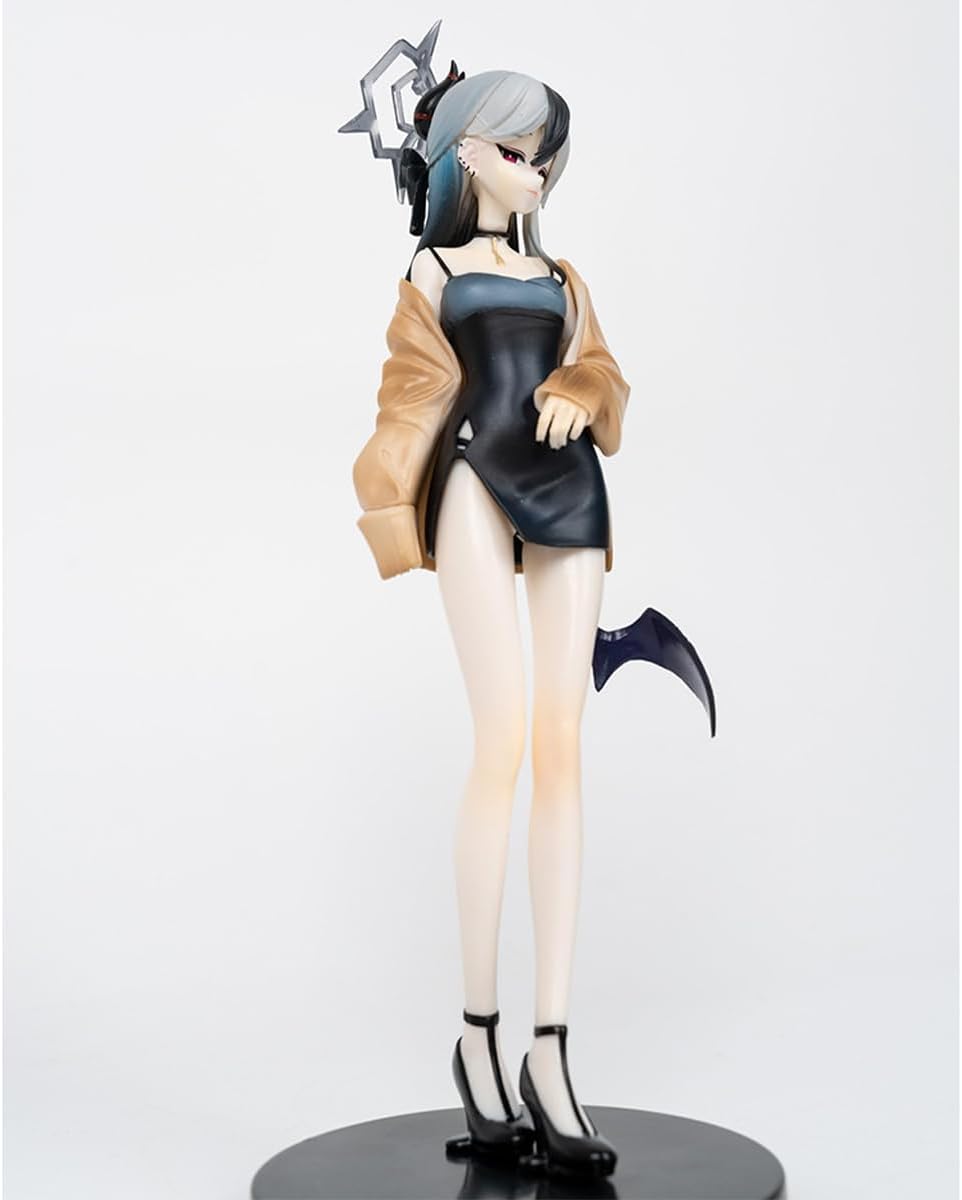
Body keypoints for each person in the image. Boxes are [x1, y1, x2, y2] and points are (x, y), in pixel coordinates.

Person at [351, 64, 630, 1180]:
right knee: (501, 741)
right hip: (473, 476)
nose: (534, 172)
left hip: (569, 487)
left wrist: (581, 391)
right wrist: (390, 504)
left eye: (544, 154)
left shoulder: (559, 275)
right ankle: (478, 1034)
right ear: (463, 152)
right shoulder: (432, 269)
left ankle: (548, 1051)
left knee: (563, 750)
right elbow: (408, 394)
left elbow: (603, 373)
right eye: (515, 151)